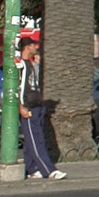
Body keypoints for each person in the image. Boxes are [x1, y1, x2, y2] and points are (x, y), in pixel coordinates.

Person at [17, 36, 65, 181]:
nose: (36, 47)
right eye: (33, 45)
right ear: (27, 47)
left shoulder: (32, 64)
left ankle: (31, 168)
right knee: (36, 139)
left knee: (33, 139)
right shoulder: (20, 65)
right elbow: (14, 88)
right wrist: (21, 107)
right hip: (28, 106)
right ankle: (48, 169)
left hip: (38, 105)